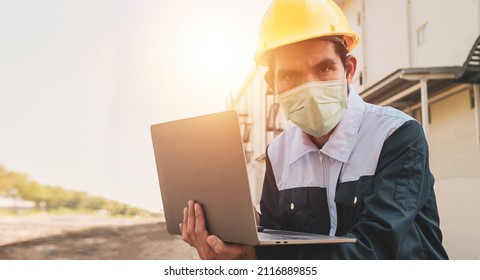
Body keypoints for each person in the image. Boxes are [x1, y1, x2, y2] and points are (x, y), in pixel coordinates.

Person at [180, 0, 448, 259]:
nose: (309, 88)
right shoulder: (278, 152)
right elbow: (277, 240)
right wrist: (249, 239)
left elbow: (375, 250)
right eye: (289, 75)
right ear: (271, 83)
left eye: (324, 68)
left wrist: (258, 258)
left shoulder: (396, 135)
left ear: (349, 69)